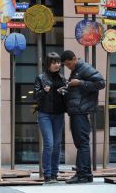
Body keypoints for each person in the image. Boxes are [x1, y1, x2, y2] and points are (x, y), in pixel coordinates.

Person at [60, 50, 105, 184]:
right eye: (66, 66)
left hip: (81, 111)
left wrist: (80, 83)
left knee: (82, 143)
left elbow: (101, 83)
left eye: (69, 64)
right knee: (81, 143)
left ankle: (83, 174)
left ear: (74, 59)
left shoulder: (84, 68)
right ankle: (85, 174)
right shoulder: (77, 70)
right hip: (77, 111)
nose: (68, 67)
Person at [33, 52, 67, 183]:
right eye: (54, 62)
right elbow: (35, 96)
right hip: (45, 114)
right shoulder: (41, 78)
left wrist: (64, 91)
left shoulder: (62, 78)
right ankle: (47, 174)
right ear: (48, 64)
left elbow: (67, 94)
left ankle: (54, 173)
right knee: (49, 144)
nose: (57, 64)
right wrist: (44, 91)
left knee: (57, 145)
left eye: (58, 62)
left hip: (58, 114)